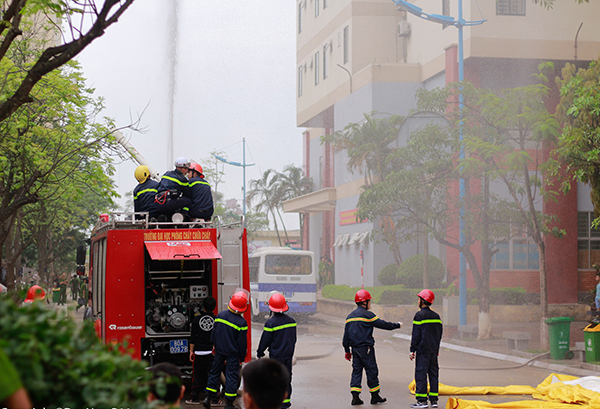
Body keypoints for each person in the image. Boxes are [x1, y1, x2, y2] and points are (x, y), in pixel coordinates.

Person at [342, 289, 402, 406]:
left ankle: (355, 397)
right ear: (364, 302)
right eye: (369, 301)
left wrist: (347, 351)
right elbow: (383, 324)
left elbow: (345, 337)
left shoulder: (349, 317)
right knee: (371, 370)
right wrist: (397, 325)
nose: (370, 304)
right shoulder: (368, 315)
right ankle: (375, 396)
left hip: (355, 349)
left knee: (356, 371)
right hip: (366, 349)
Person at [204, 290, 249, 409]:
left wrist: (214, 346)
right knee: (231, 377)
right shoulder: (242, 322)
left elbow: (214, 333)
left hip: (219, 351)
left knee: (214, 373)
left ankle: (208, 397)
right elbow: (242, 343)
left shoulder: (220, 315)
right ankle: (229, 404)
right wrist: (242, 356)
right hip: (232, 354)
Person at [256, 292, 296, 409]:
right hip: (288, 356)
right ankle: (286, 403)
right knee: (286, 379)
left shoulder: (271, 322)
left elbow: (265, 340)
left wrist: (260, 352)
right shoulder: (292, 321)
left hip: (276, 357)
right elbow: (293, 339)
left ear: (271, 307)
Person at [409, 289, 443, 409]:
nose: (418, 301)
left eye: (419, 299)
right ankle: (434, 401)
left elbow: (416, 334)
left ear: (423, 301)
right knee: (433, 375)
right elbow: (439, 334)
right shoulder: (436, 316)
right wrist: (436, 348)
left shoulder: (419, 316)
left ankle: (422, 401)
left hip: (423, 351)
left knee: (421, 375)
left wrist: (412, 349)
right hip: (433, 351)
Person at [186, 296, 217, 405]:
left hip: (198, 352)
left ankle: (194, 398)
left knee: (197, 375)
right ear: (214, 307)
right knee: (213, 375)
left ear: (203, 307)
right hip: (211, 352)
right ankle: (215, 399)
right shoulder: (216, 320)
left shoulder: (196, 320)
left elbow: (193, 337)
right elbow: (216, 338)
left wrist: (191, 351)